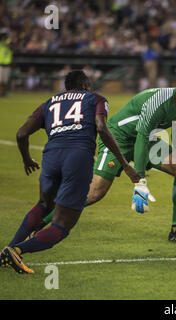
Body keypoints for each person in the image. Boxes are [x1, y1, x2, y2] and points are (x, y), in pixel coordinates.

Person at [31, 66, 176, 245]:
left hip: (145, 139)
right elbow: (141, 137)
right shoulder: (159, 101)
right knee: (94, 193)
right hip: (118, 138)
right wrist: (140, 182)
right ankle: (40, 223)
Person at [0, 70, 140, 274]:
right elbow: (101, 128)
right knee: (62, 226)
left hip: (51, 156)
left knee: (43, 204)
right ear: (84, 85)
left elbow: (22, 133)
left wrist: (27, 159)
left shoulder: (50, 102)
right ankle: (17, 249)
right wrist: (125, 165)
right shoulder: (96, 98)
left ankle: (9, 251)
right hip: (78, 157)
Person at [0, 32, 13, 97]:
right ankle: (1, 92)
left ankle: (3, 92)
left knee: (5, 80)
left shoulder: (9, 42)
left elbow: (11, 47)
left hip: (7, 64)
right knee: (0, 80)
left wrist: (5, 43)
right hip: (1, 64)